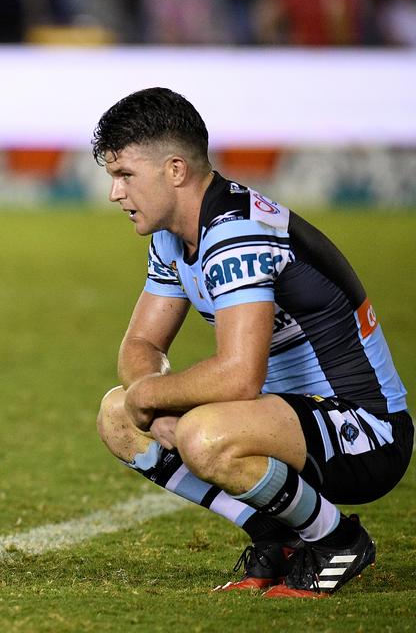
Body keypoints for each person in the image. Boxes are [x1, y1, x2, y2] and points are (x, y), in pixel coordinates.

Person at [92, 87, 410, 597]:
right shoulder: (174, 233)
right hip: (288, 418)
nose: (115, 193)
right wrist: (150, 401)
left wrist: (152, 397)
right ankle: (275, 536)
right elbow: (142, 345)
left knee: (201, 433)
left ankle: (337, 539)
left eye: (125, 175)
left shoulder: (238, 230)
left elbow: (240, 376)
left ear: (175, 170)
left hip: (367, 429)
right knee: (118, 417)